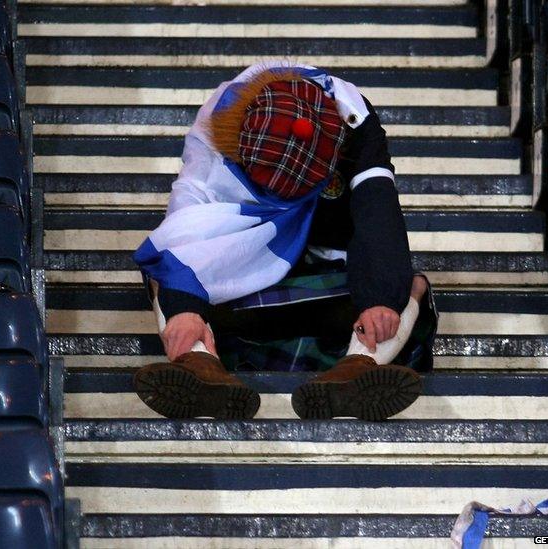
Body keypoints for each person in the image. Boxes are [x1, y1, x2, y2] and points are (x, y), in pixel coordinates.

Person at [132, 62, 437, 421]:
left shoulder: (356, 123)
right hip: (244, 280)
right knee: (165, 274)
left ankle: (359, 367)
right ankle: (200, 365)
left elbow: (377, 211)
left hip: (329, 274)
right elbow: (186, 228)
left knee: (408, 284)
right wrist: (185, 308)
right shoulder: (214, 131)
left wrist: (380, 300)